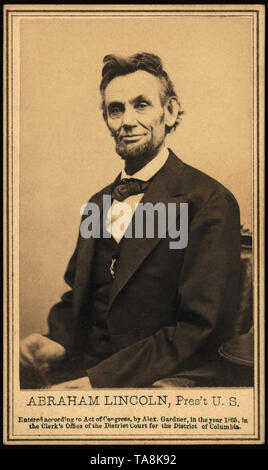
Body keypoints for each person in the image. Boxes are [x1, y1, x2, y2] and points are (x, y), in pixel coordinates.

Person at [20, 52, 241, 389]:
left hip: (152, 381)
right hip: (81, 371)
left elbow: (199, 328)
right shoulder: (98, 203)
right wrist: (58, 341)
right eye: (116, 109)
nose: (127, 121)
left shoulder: (209, 202)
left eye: (141, 105)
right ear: (107, 119)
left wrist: (99, 382)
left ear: (170, 112)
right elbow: (78, 297)